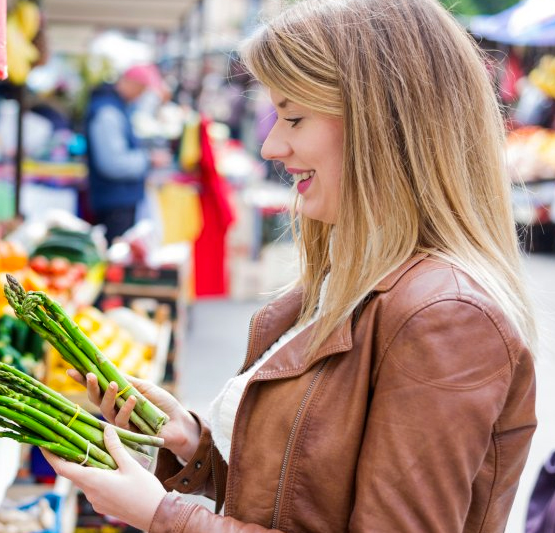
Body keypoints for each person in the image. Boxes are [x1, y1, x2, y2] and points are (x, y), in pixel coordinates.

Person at [41, 0, 538, 531]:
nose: (272, 144)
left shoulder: (447, 316)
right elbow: (309, 494)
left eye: (294, 116)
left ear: (384, 126)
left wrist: (162, 515)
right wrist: (189, 439)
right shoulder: (354, 281)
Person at [84, 64, 170, 244]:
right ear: (132, 84)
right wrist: (148, 159)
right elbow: (112, 163)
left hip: (117, 201)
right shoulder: (107, 112)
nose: (141, 94)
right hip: (114, 205)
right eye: (142, 89)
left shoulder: (115, 108)